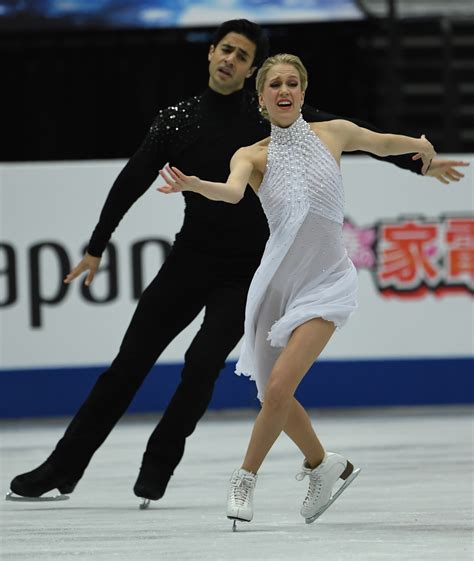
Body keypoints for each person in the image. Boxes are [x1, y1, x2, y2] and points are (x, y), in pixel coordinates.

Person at [8, 20, 468, 507]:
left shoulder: (272, 113)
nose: (231, 59)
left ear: (253, 72)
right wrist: (97, 245)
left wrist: (419, 161)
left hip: (246, 271)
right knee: (127, 364)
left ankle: (157, 467)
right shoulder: (177, 120)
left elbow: (352, 135)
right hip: (189, 261)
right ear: (211, 53)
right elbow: (133, 179)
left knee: (202, 364)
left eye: (243, 56)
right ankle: (62, 468)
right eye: (225, 49)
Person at [155, 53, 439, 528]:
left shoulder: (334, 133)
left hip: (327, 282)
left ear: (303, 93)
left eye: (292, 83)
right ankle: (325, 465)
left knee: (281, 388)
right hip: (276, 286)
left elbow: (381, 143)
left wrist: (419, 143)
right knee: (272, 393)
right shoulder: (252, 155)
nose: (284, 90)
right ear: (263, 98)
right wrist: (197, 184)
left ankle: (245, 478)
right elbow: (231, 191)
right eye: (274, 85)